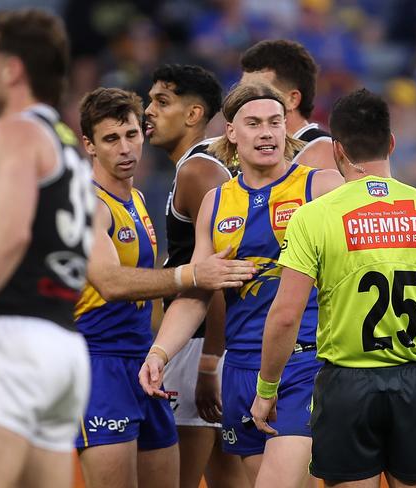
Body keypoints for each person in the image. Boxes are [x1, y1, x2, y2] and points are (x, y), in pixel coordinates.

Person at [251, 88, 416, 488]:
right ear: (392, 142)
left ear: (337, 150)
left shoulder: (313, 217)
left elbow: (286, 315)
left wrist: (267, 388)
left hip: (346, 384)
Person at [139, 82, 344, 488]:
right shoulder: (216, 202)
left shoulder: (321, 187)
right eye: (253, 123)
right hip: (240, 371)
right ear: (231, 132)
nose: (266, 133)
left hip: (306, 364)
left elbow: (383, 222)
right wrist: (160, 352)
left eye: (274, 123)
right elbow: (198, 291)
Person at [0, 10, 94, 488]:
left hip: (13, 341)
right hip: (65, 349)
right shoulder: (69, 145)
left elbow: (11, 233)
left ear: (12, 70)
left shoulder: (12, 131)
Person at [75, 87, 255, 488]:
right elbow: (109, 281)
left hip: (144, 363)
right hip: (99, 364)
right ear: (88, 144)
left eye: (132, 135)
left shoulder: (136, 198)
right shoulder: (87, 203)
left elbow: (145, 292)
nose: (125, 149)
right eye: (110, 139)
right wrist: (190, 275)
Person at [144, 64, 249, 488]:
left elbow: (218, 271)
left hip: (201, 344)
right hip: (206, 341)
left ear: (193, 114)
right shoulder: (196, 167)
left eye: (161, 102)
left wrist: (210, 362)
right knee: (227, 476)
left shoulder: (198, 170)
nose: (148, 111)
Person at [240, 39, 335, 170]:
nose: (243, 100)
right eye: (242, 91)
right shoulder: (250, 152)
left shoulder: (323, 152)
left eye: (256, 92)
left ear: (292, 99)